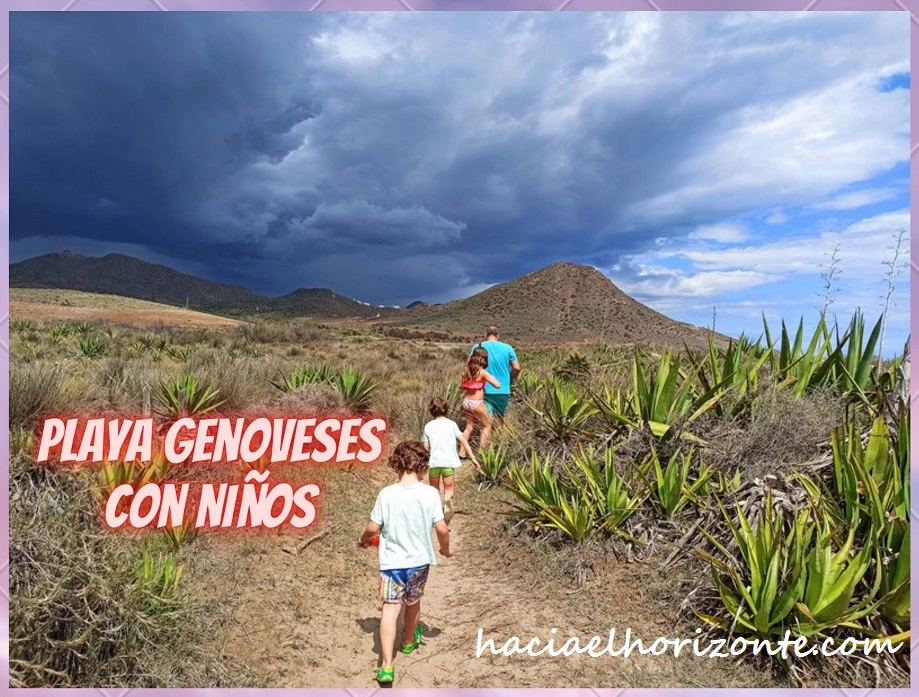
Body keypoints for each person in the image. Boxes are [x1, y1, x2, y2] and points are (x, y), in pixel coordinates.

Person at [359, 441, 451, 685]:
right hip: (419, 563)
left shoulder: (387, 494)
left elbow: (373, 527)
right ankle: (409, 642)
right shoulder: (430, 493)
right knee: (413, 602)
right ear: (422, 465)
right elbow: (442, 528)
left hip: (391, 563)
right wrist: (445, 549)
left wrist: (365, 539)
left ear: (395, 464)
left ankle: (387, 665)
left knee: (390, 609)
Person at [423, 397, 480, 522]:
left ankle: (438, 514)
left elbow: (426, 446)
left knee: (434, 490)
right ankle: (447, 499)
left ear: (431, 411)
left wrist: (427, 456)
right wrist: (473, 458)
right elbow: (463, 440)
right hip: (448, 463)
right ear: (446, 410)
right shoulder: (452, 424)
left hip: (434, 463)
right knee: (449, 489)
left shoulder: (428, 426)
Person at [470, 326, 521, 419]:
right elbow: (517, 368)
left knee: (485, 421)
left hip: (482, 390)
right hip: (502, 389)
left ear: (486, 335)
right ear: (498, 335)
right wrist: (510, 378)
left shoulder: (477, 347)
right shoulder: (508, 348)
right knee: (499, 419)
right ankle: (499, 433)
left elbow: (469, 367)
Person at [460, 352, 500, 453]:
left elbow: (462, 386)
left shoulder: (466, 372)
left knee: (469, 427)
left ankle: (462, 452)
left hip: (466, 402)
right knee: (487, 425)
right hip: (477, 403)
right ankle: (482, 452)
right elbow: (497, 385)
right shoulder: (482, 372)